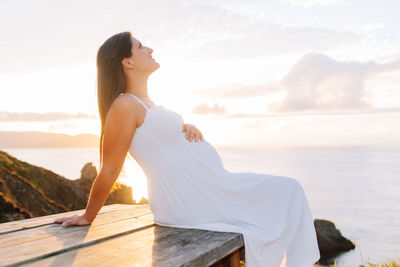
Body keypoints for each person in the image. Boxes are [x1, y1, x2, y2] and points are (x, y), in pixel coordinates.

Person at [54, 31, 320, 267]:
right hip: (187, 200)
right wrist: (89, 216)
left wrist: (185, 126)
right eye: (140, 46)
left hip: (209, 187)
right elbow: (110, 169)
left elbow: (156, 136)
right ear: (128, 61)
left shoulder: (145, 102)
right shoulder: (124, 105)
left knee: (289, 192)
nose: (150, 50)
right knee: (289, 190)